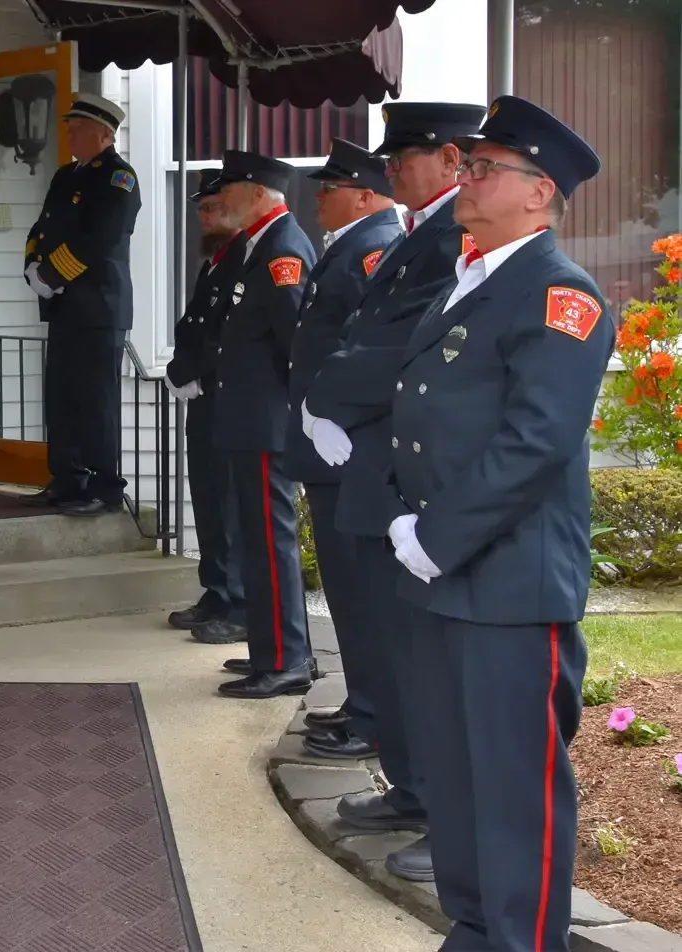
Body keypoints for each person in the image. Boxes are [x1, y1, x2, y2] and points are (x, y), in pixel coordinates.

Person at [388, 95, 607, 952]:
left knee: (514, 788)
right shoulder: (475, 279)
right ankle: (475, 928)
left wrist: (433, 537)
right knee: (456, 774)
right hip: (447, 575)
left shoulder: (560, 294)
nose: (466, 179)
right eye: (468, 165)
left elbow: (535, 442)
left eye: (483, 168)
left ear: (538, 192)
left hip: (509, 581)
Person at [302, 101, 487, 882]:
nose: (391, 170)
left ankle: (436, 806)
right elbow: (362, 335)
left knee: (421, 657)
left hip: (401, 464)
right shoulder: (418, 234)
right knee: (389, 644)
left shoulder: (452, 239)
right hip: (377, 461)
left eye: (406, 156)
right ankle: (410, 789)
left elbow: (407, 345)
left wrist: (324, 397)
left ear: (449, 160)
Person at [274, 138, 401, 755]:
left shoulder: (375, 246)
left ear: (366, 195)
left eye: (330, 189)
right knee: (345, 590)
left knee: (358, 589)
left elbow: (362, 345)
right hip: (324, 443)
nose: (319, 198)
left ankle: (374, 714)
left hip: (344, 446)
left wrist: (330, 411)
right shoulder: (349, 244)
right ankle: (361, 701)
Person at [197, 150, 316, 699]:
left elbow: (296, 343)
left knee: (271, 543)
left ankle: (288, 659)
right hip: (247, 418)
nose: (223, 199)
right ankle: (270, 649)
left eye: (231, 189)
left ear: (258, 192)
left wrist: (291, 412)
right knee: (255, 542)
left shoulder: (283, 248)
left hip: (267, 420)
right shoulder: (257, 244)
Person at [22, 92, 142, 517]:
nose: (70, 136)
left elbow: (101, 238)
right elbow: (42, 227)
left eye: (78, 129)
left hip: (98, 307)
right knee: (62, 396)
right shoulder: (64, 176)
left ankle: (105, 487)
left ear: (105, 134)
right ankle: (67, 479)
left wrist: (52, 275)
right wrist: (32, 267)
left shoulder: (118, 178)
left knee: (96, 401)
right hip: (64, 306)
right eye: (69, 128)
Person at [165, 171, 248, 636]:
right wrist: (180, 368)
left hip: (226, 395)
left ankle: (236, 599)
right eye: (201, 209)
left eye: (213, 207)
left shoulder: (245, 257)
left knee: (229, 502)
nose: (205, 216)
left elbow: (231, 331)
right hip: (203, 397)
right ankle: (216, 589)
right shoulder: (215, 260)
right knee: (208, 498)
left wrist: (195, 371)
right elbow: (195, 324)